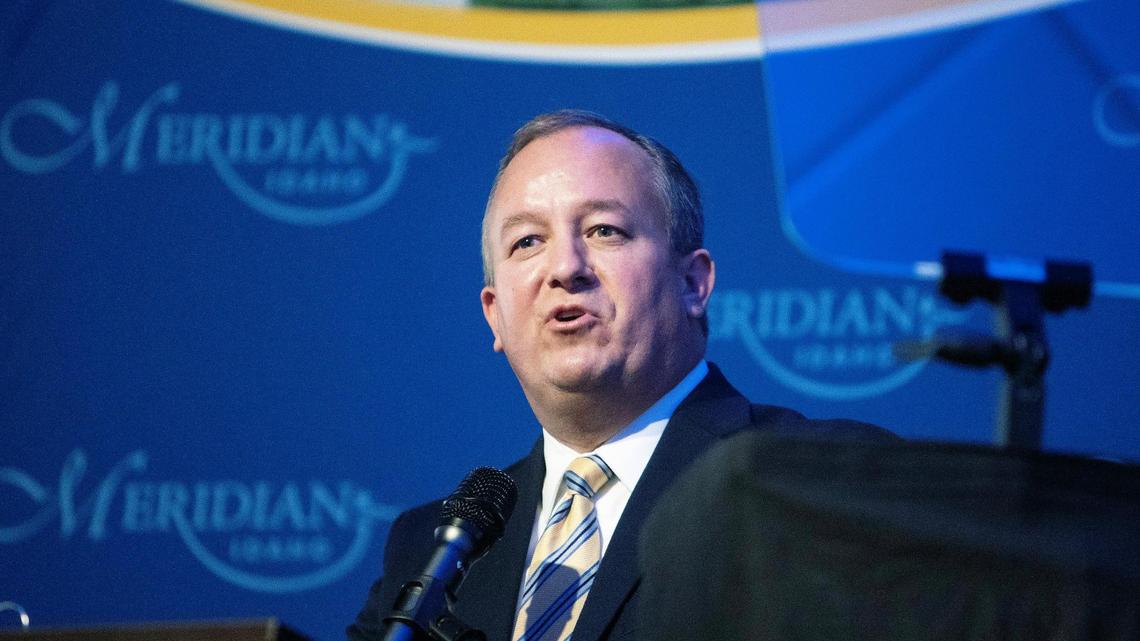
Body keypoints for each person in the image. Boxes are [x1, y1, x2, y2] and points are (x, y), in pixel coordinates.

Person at [347, 110, 894, 641]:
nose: (565, 268)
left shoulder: (820, 482)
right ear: (495, 314)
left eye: (604, 230)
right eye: (527, 242)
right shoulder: (434, 550)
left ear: (692, 284)